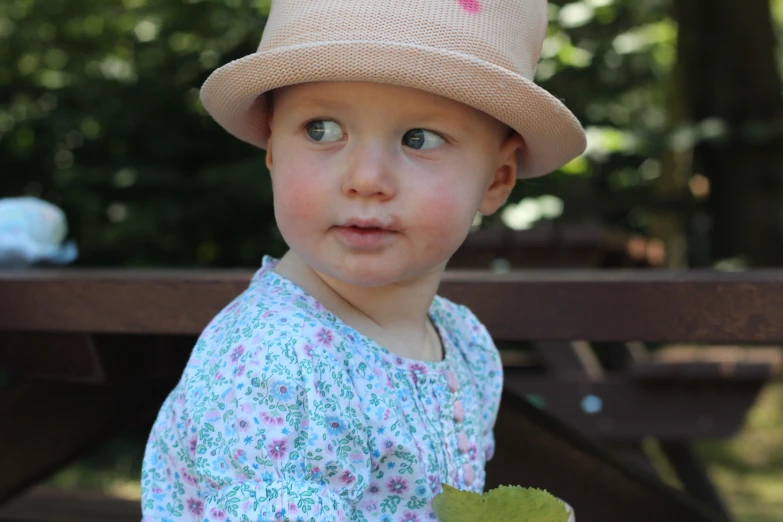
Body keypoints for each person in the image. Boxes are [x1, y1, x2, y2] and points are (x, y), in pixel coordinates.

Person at [140, 0, 585, 520]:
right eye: (321, 129)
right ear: (272, 151)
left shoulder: (463, 345)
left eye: (420, 138)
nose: (366, 178)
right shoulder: (279, 364)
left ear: (497, 179)